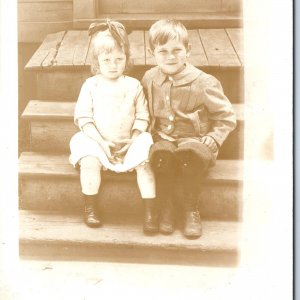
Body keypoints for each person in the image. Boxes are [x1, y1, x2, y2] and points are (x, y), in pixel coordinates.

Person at [141, 19, 237, 239]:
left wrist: (215, 136)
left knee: (189, 156)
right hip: (163, 137)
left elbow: (226, 116)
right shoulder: (149, 78)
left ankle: (190, 209)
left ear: (188, 50)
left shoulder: (204, 82)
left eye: (177, 50)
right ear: (152, 52)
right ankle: (166, 208)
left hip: (196, 140)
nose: (170, 57)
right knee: (161, 155)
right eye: (162, 51)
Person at [69, 19, 157, 233]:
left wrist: (134, 138)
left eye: (119, 59)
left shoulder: (133, 85)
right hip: (98, 140)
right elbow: (84, 118)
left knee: (146, 160)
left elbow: (142, 116)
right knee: (88, 160)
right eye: (106, 60)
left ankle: (151, 211)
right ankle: (90, 207)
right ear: (97, 62)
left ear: (126, 59)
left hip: (128, 141)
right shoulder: (91, 85)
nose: (113, 64)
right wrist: (102, 142)